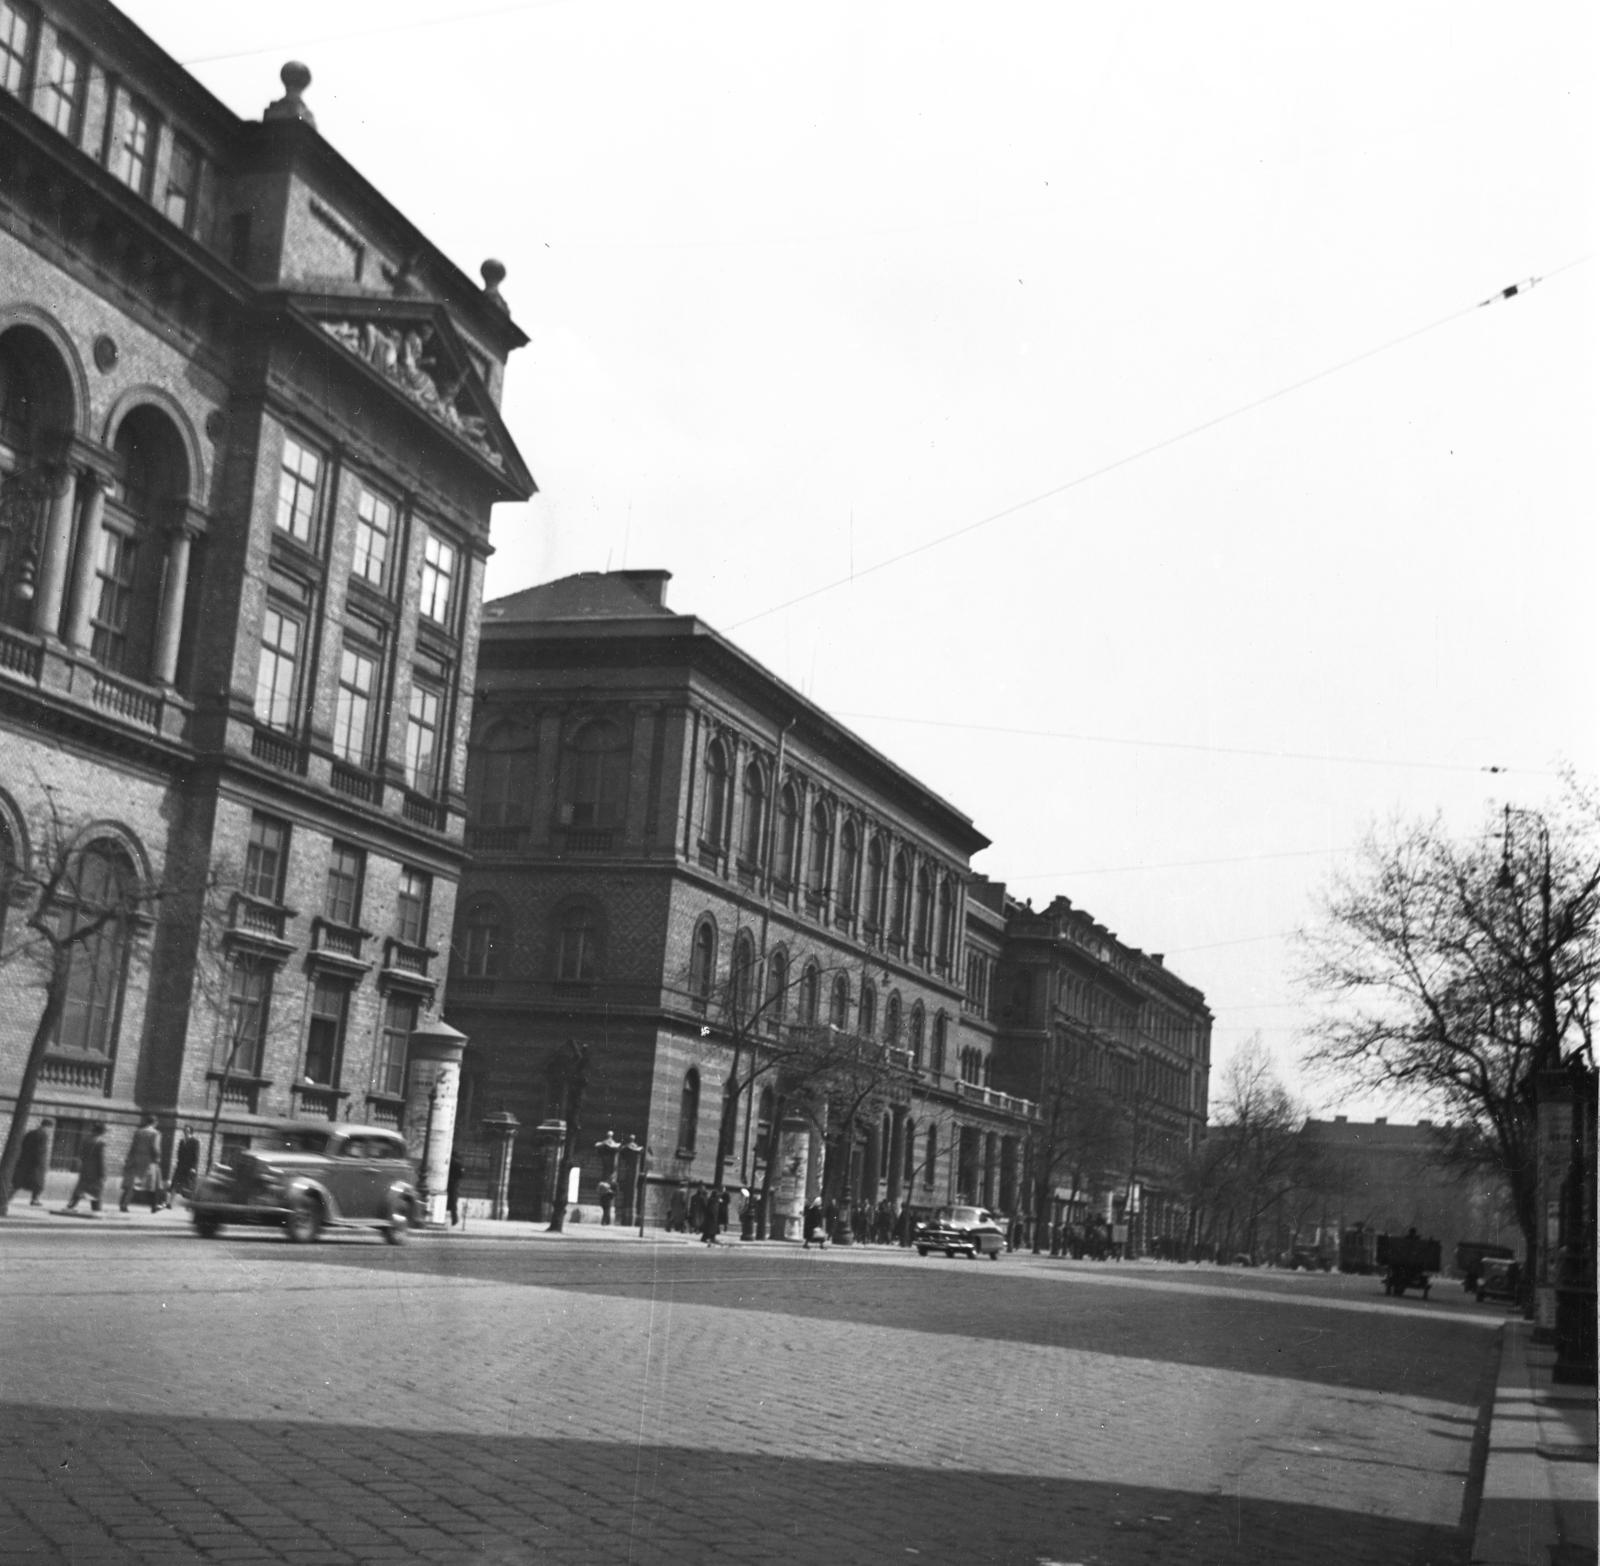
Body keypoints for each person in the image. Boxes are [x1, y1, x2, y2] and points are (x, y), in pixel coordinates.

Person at [119, 1114, 162, 1212]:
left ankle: (123, 1204)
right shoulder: (156, 1133)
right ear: (155, 1123)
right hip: (149, 1161)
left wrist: (129, 1158)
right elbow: (155, 1148)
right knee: (153, 1183)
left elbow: (133, 1146)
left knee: (133, 1183)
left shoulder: (138, 1132)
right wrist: (157, 1158)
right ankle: (154, 1206)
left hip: (136, 1159)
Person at [66, 1123, 108, 1213]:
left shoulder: (86, 1140)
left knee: (81, 1187)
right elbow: (101, 1159)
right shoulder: (100, 1143)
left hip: (85, 1168)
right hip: (96, 1171)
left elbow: (81, 1154)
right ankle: (96, 1208)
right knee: (96, 1189)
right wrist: (103, 1173)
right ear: (101, 1132)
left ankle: (72, 1204)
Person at [17, 1117, 53, 1206]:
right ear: (47, 1127)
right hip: (37, 1163)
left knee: (18, 1181)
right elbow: (41, 1151)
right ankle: (35, 1199)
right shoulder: (43, 1135)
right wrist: (43, 1163)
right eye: (50, 1128)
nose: (50, 1130)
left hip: (25, 1161)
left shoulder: (30, 1133)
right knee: (38, 1183)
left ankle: (4, 1197)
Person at [170, 1125, 201, 1203]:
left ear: (190, 1132)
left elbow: (196, 1156)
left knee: (191, 1186)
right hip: (181, 1166)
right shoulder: (182, 1141)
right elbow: (179, 1154)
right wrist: (177, 1164)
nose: (185, 1132)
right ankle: (170, 1202)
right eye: (184, 1131)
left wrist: (194, 1167)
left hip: (190, 1167)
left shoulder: (195, 1142)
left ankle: (192, 1203)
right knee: (175, 1183)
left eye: (187, 1131)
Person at [447, 1153, 464, 1226]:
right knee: (453, 1201)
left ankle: (455, 1218)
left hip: (450, 1183)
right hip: (455, 1183)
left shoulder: (451, 1162)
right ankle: (454, 1218)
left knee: (452, 1201)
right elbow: (462, 1175)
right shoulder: (459, 1163)